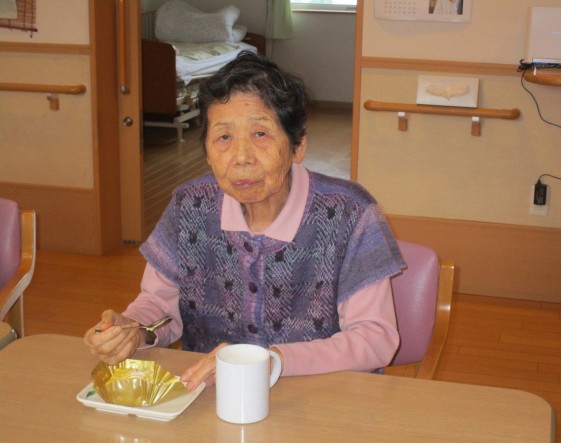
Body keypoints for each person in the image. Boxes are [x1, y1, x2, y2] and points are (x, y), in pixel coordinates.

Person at [84, 51, 405, 392]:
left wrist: (273, 361)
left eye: (260, 134)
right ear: (207, 153)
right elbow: (160, 304)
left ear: (297, 147)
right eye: (224, 138)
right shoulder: (189, 207)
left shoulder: (349, 213)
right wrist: (133, 330)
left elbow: (375, 338)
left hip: (323, 398)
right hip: (212, 398)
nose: (240, 157)